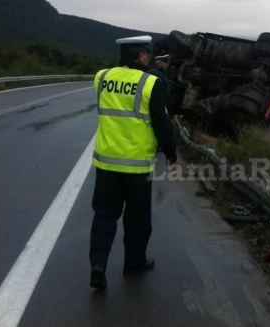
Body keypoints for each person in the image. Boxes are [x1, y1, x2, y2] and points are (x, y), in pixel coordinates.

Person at [89, 35, 177, 290]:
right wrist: (171, 153)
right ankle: (134, 263)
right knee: (138, 220)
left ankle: (98, 265)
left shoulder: (102, 77)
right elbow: (162, 124)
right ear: (141, 56)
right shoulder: (151, 83)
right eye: (147, 54)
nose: (149, 57)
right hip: (137, 166)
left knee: (104, 216)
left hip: (106, 163)